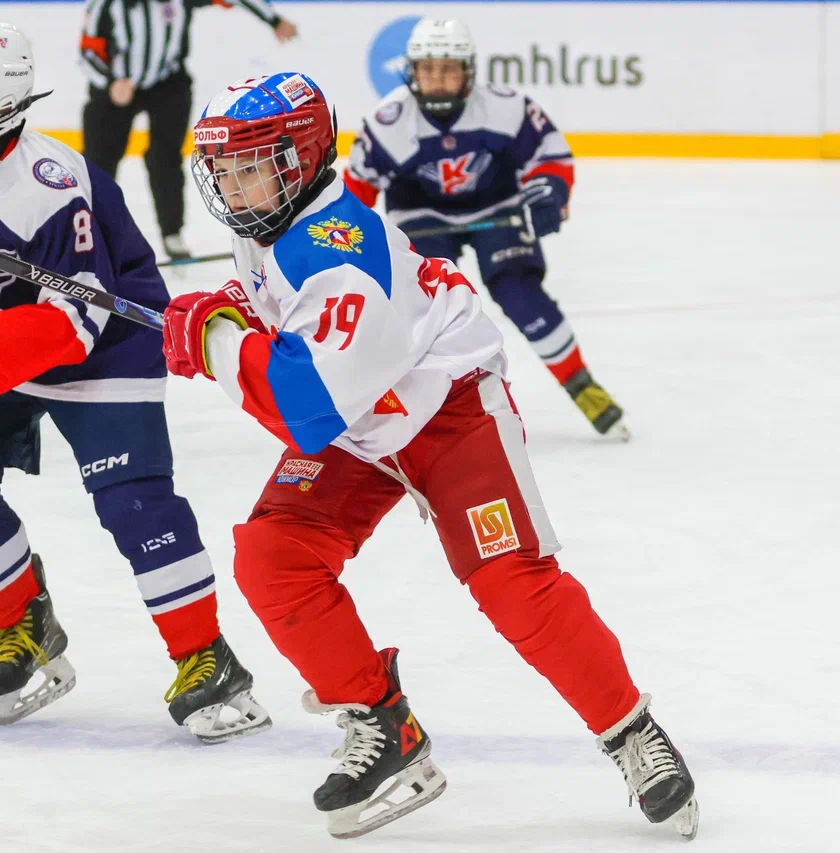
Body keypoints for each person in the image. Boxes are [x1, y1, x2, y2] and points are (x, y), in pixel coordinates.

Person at [162, 71, 697, 837]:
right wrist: (226, 313)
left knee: (513, 583)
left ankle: (631, 730)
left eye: (253, 164)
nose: (235, 185)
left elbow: (305, 409)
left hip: (447, 411)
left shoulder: (340, 251)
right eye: (224, 168)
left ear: (303, 156)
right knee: (275, 556)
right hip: (364, 422)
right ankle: (386, 728)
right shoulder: (270, 224)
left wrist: (216, 341)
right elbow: (282, 325)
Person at [0, 17, 270, 743]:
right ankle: (24, 624)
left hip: (107, 347)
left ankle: (207, 656)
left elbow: (75, 320)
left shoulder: (50, 188)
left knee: (134, 505)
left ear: (1, 108)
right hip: (8, 340)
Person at [345, 18, 628, 439]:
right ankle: (424, 407)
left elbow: (550, 155)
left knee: (519, 292)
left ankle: (580, 384)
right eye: (429, 69)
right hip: (421, 217)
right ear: (413, 72)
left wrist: (551, 190)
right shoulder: (386, 123)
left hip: (496, 207)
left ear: (468, 72)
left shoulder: (505, 106)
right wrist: (347, 238)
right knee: (425, 313)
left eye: (449, 69)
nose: (438, 80)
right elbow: (355, 192)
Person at [78, 0, 298, 260]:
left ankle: (172, 232)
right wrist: (110, 83)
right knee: (99, 161)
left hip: (167, 83)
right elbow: (88, 52)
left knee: (166, 159)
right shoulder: (105, 6)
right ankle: (87, 230)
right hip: (116, 87)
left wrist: (273, 19)